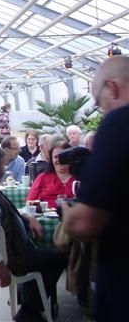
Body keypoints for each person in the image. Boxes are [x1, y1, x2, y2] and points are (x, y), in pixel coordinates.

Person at [0, 144, 66, 322]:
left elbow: (1, 213)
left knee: (45, 256)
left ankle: (28, 304)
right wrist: (0, 267)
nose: (5, 167)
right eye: (4, 163)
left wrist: (26, 217)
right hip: (10, 259)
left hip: (12, 252)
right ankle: (29, 312)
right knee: (59, 257)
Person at [62, 56, 129, 322]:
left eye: (100, 102)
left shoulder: (119, 122)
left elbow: (84, 223)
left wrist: (66, 211)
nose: (102, 111)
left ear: (112, 87)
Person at [26, 141, 76, 209]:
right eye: (55, 157)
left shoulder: (80, 179)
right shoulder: (42, 178)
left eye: (63, 157)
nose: (59, 160)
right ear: (51, 159)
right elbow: (29, 202)